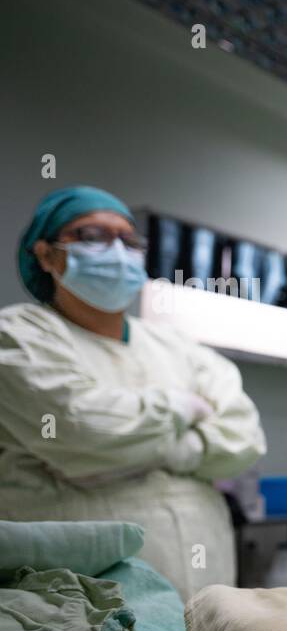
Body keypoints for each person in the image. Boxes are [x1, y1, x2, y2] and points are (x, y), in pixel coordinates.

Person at [0, 186, 265, 599]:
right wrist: (182, 408)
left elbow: (244, 438)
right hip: (82, 602)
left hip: (208, 587)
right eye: (92, 236)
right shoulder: (18, 336)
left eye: (129, 240)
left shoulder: (180, 347)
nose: (117, 251)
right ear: (47, 255)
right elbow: (81, 430)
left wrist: (170, 449)